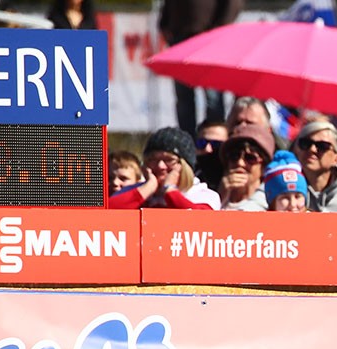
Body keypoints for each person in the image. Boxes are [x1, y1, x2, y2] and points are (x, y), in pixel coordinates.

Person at [158, 0, 242, 135]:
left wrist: (219, 28)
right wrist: (164, 23)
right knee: (183, 98)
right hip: (181, 38)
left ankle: (215, 139)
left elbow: (233, 3)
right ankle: (187, 141)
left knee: (213, 98)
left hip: (209, 40)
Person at [110, 127, 220, 210]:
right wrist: (148, 189)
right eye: (152, 159)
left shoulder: (203, 195)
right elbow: (105, 213)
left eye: (169, 160)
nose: (160, 166)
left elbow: (201, 220)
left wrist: (170, 191)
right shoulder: (132, 192)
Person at [218, 124, 275, 211]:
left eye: (250, 158)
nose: (240, 163)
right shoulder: (211, 199)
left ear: (264, 167)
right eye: (234, 156)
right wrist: (218, 198)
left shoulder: (273, 205)